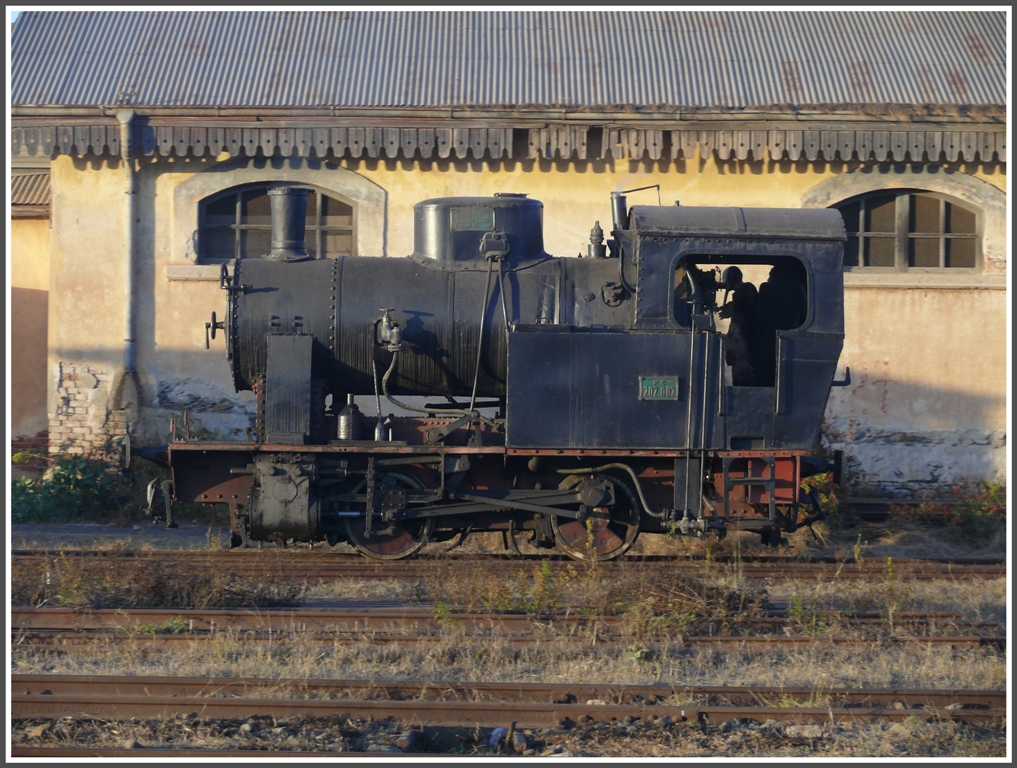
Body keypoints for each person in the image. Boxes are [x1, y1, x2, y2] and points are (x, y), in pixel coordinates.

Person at [718, 266, 759, 386]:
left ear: (731, 278)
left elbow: (743, 304)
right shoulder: (739, 294)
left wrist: (729, 308)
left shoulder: (747, 288)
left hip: (746, 347)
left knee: (744, 379)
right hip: (739, 349)